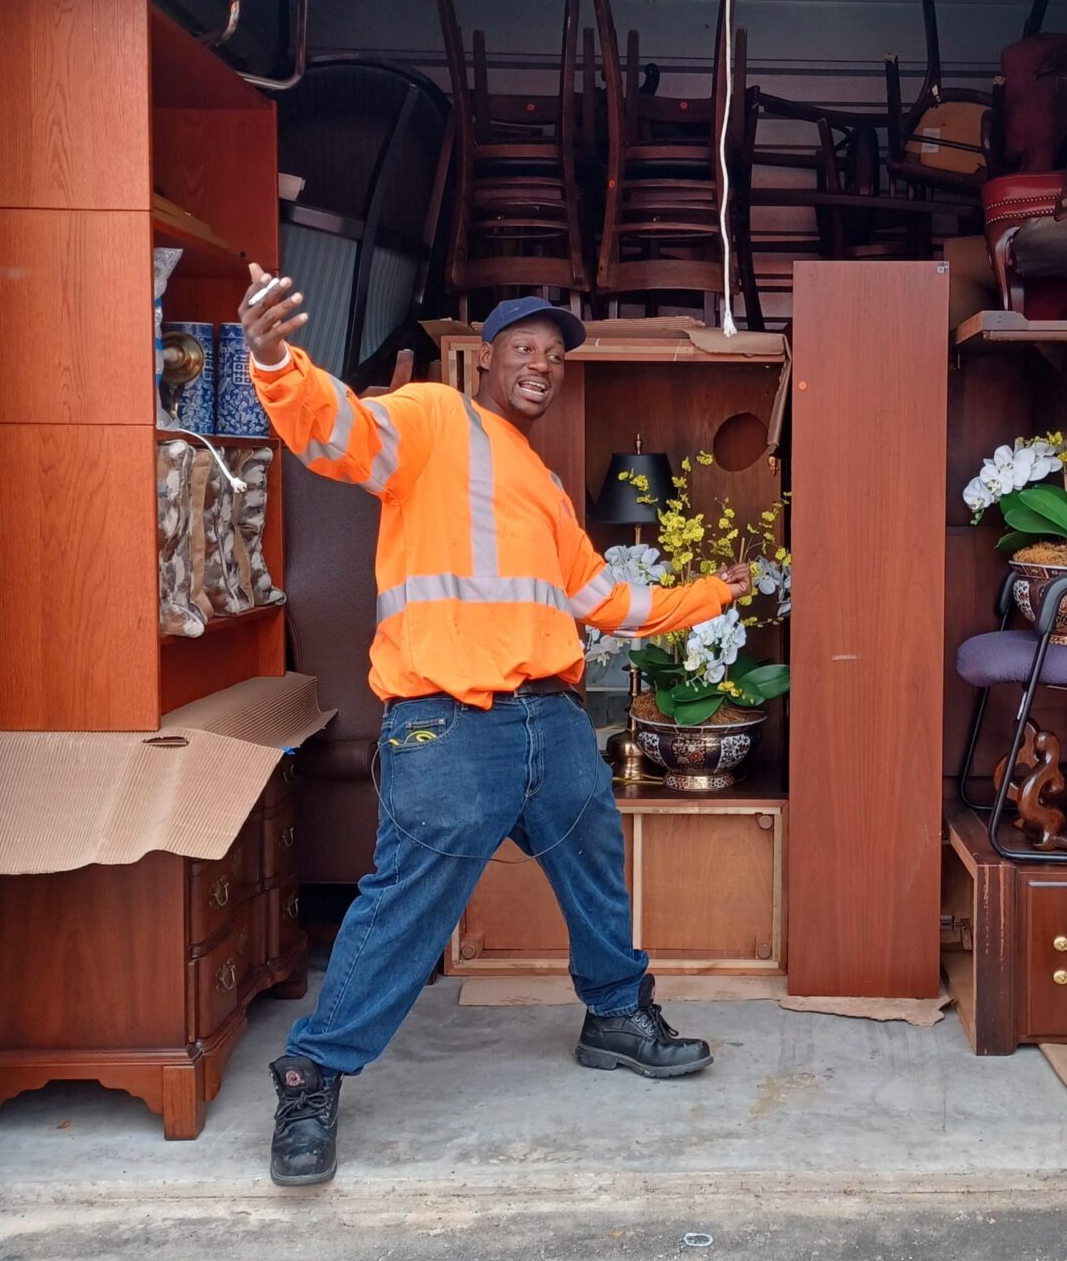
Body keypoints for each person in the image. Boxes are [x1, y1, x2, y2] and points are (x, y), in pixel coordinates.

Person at [239, 267, 748, 1186]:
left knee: (595, 861)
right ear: (483, 361)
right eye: (525, 349)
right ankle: (314, 1070)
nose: (543, 367)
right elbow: (340, 431)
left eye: (555, 357)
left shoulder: (544, 484)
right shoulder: (433, 418)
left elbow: (602, 598)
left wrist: (712, 594)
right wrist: (275, 360)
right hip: (446, 720)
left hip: (546, 722)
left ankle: (616, 1015)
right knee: (406, 905)